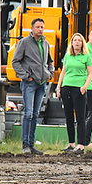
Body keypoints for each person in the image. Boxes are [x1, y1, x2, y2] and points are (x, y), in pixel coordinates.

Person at [12, 18, 54, 156]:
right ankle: (25, 146)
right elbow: (15, 62)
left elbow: (49, 61)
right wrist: (25, 76)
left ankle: (31, 145)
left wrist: (50, 74)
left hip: (42, 84)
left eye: (42, 27)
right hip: (29, 83)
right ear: (32, 28)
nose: (40, 29)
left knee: (35, 114)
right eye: (37, 27)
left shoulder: (46, 44)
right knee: (28, 113)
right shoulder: (24, 43)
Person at [56, 32, 92, 154]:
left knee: (80, 117)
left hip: (79, 88)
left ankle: (81, 145)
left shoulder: (87, 57)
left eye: (79, 40)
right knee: (69, 116)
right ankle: (71, 143)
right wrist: (59, 86)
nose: (77, 42)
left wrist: (84, 87)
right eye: (75, 40)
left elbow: (90, 74)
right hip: (67, 87)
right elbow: (63, 72)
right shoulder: (68, 56)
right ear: (71, 43)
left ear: (82, 43)